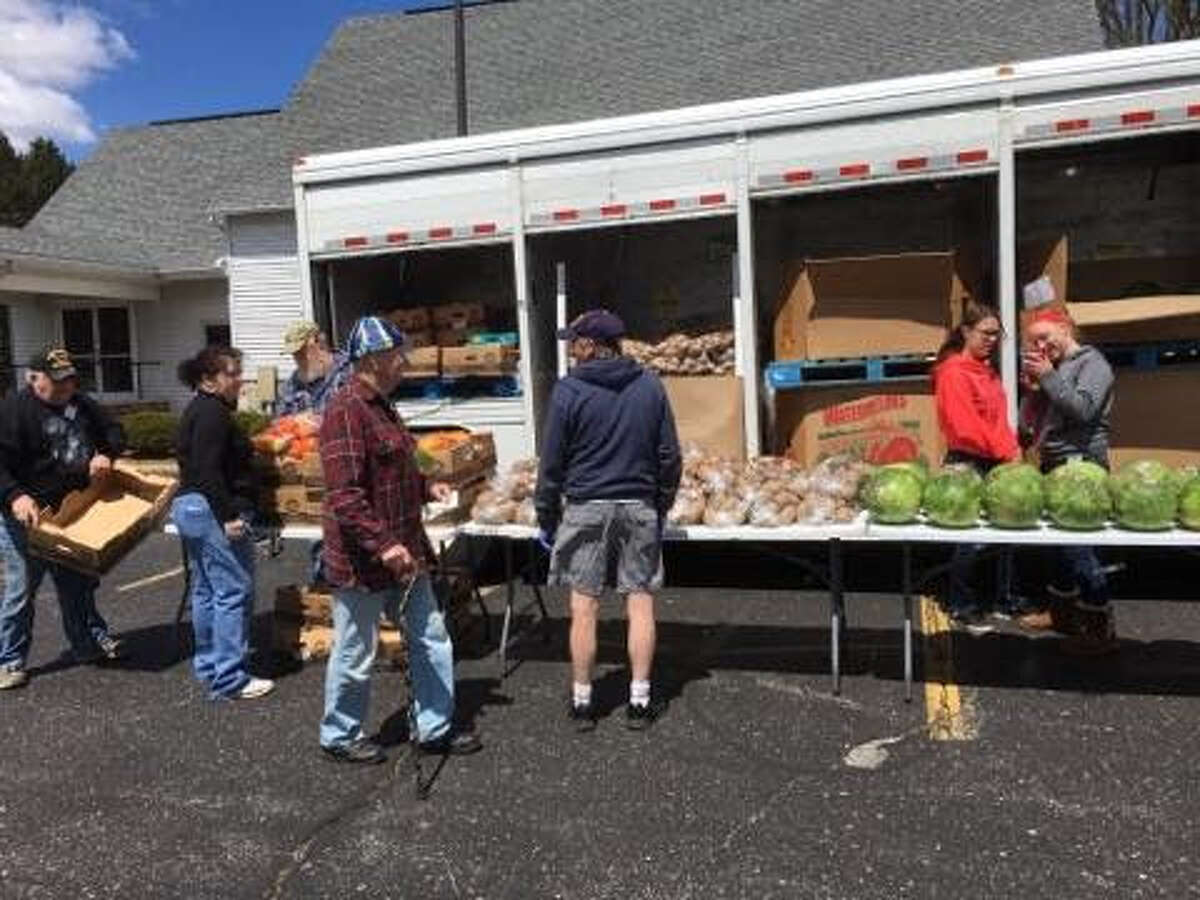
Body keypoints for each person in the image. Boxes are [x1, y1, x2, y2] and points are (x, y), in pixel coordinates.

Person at [318, 315, 482, 764]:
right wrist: (384, 545)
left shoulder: (383, 405)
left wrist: (427, 487)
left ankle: (434, 727)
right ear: (373, 359)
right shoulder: (345, 409)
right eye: (397, 355)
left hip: (408, 552)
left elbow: (397, 468)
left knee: (431, 638)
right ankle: (339, 735)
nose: (404, 362)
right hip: (364, 562)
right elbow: (345, 496)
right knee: (355, 650)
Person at [535, 309, 682, 732]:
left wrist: (547, 516)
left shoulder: (569, 391)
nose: (568, 349)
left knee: (584, 607)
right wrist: (661, 503)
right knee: (640, 601)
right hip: (638, 504)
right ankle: (639, 700)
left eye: (573, 341)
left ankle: (583, 701)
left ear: (588, 346)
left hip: (586, 506)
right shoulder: (650, 386)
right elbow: (669, 456)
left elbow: (552, 464)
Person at [0, 348, 129, 689]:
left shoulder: (82, 404)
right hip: (28, 517)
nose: (66, 388)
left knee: (78, 585)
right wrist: (15, 495)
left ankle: (87, 645)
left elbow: (114, 430)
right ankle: (8, 661)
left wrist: (105, 453)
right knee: (21, 591)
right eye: (57, 381)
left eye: (70, 380)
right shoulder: (14, 409)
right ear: (33, 378)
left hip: (73, 511)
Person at [171, 346, 275, 701]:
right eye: (232, 373)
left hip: (191, 507)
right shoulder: (213, 413)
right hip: (211, 509)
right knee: (233, 590)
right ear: (209, 380)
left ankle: (210, 665)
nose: (239, 379)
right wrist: (228, 515)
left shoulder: (200, 409)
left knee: (206, 590)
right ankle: (230, 677)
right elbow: (207, 469)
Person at [1016, 307, 1117, 655]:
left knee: (1080, 549)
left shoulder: (1094, 364)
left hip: (1083, 467)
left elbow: (1083, 410)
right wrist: (1033, 389)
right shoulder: (1056, 370)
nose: (1042, 345)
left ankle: (1099, 628)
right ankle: (1061, 615)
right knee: (1056, 548)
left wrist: (1047, 376)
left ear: (1065, 328)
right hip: (1055, 465)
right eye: (1034, 341)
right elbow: (1034, 423)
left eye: (1046, 337)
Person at [932, 302, 1020, 634]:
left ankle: (1003, 598)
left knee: (1005, 534)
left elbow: (997, 420)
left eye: (997, 334)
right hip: (970, 461)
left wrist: (1012, 447)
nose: (992, 340)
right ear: (966, 332)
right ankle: (961, 603)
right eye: (986, 333)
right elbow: (964, 427)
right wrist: (1005, 451)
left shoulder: (986, 370)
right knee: (972, 540)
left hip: (996, 458)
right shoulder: (954, 373)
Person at [277, 321, 352, 417]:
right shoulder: (290, 387)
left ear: (320, 342)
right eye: (295, 354)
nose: (298, 358)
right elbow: (280, 423)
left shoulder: (350, 370)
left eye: (303, 351)